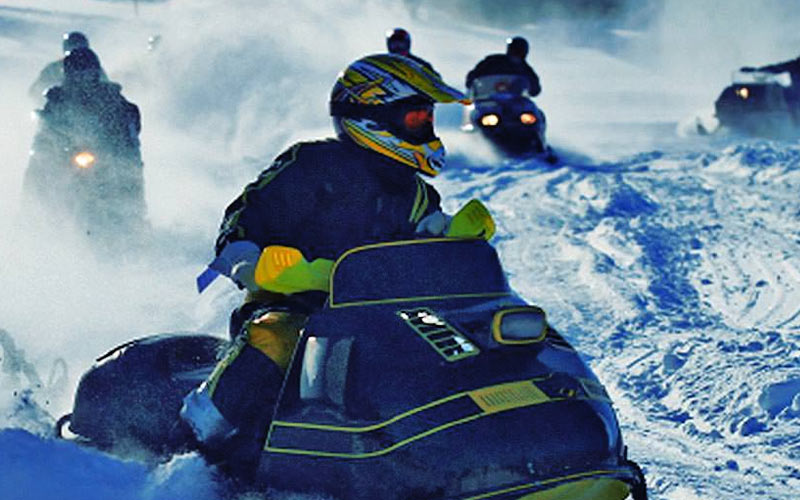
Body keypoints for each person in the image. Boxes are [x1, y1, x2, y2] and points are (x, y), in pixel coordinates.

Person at [180, 53, 494, 480]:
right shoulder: (311, 166)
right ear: (373, 115)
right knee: (277, 336)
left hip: (387, 318)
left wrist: (453, 240)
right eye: (416, 116)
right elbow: (246, 217)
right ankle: (199, 441)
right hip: (301, 310)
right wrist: (249, 261)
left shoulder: (418, 194)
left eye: (427, 118)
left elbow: (426, 254)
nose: (425, 127)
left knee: (463, 344)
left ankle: (472, 450)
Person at [24, 47, 144, 229]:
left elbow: (128, 115)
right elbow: (47, 126)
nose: (82, 78)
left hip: (105, 153)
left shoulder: (110, 97)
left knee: (128, 169)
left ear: (95, 73)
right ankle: (31, 213)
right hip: (66, 153)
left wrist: (123, 131)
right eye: (77, 73)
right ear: (68, 75)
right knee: (39, 160)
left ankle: (135, 221)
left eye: (87, 73)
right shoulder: (57, 98)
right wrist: (50, 134)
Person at [28, 31, 108, 105]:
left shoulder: (95, 67)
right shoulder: (53, 69)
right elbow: (35, 90)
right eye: (74, 45)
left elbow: (106, 86)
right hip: (65, 104)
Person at [465, 36, 541, 97]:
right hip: (489, 100)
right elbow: (475, 74)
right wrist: (472, 83)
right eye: (515, 50)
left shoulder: (526, 70)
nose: (516, 54)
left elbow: (535, 90)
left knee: (536, 113)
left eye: (518, 50)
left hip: (516, 104)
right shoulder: (493, 61)